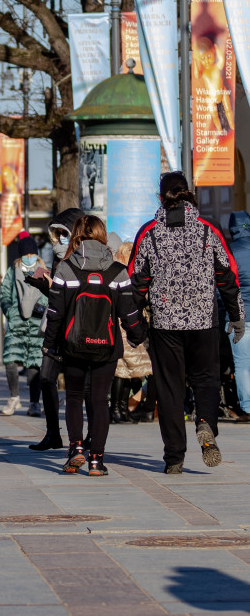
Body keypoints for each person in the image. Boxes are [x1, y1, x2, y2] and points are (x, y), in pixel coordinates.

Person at [129, 172, 245, 473]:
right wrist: (237, 316)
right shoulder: (209, 230)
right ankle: (205, 422)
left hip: (166, 326)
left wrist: (134, 325)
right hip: (204, 321)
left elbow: (136, 283)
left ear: (160, 197)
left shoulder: (149, 233)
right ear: (189, 194)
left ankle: (174, 457)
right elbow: (228, 276)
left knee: (170, 389)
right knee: (206, 379)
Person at [44, 215, 146, 476]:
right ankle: (96, 461)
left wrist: (50, 346)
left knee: (75, 398)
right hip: (107, 347)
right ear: (102, 236)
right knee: (100, 401)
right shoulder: (117, 271)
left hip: (73, 345)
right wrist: (137, 336)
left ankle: (76, 449)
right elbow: (129, 311)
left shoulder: (65, 268)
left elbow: (54, 312)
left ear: (77, 235)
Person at [27, 207, 85, 451]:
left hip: (76, 330)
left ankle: (84, 438)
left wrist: (49, 288)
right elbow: (57, 297)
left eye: (64, 234)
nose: (60, 239)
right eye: (57, 234)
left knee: (80, 387)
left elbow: (76, 298)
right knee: (46, 378)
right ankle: (53, 433)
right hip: (54, 328)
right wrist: (43, 286)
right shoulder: (58, 258)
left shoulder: (82, 260)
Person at [0, 233, 47, 417]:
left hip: (36, 325)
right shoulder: (13, 271)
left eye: (32, 254)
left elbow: (50, 295)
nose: (29, 258)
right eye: (26, 255)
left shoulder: (43, 271)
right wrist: (10, 311)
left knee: (35, 364)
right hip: (17, 324)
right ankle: (14, 397)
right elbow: (4, 295)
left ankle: (34, 403)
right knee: (10, 360)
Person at [113, 241, 154, 424]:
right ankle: (117, 409)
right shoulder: (124, 272)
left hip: (128, 324)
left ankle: (121, 408)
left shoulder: (124, 271)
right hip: (125, 324)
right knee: (122, 370)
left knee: (126, 370)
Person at [226, 211, 250, 421]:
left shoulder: (230, 252)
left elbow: (222, 286)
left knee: (242, 363)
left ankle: (248, 408)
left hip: (238, 316)